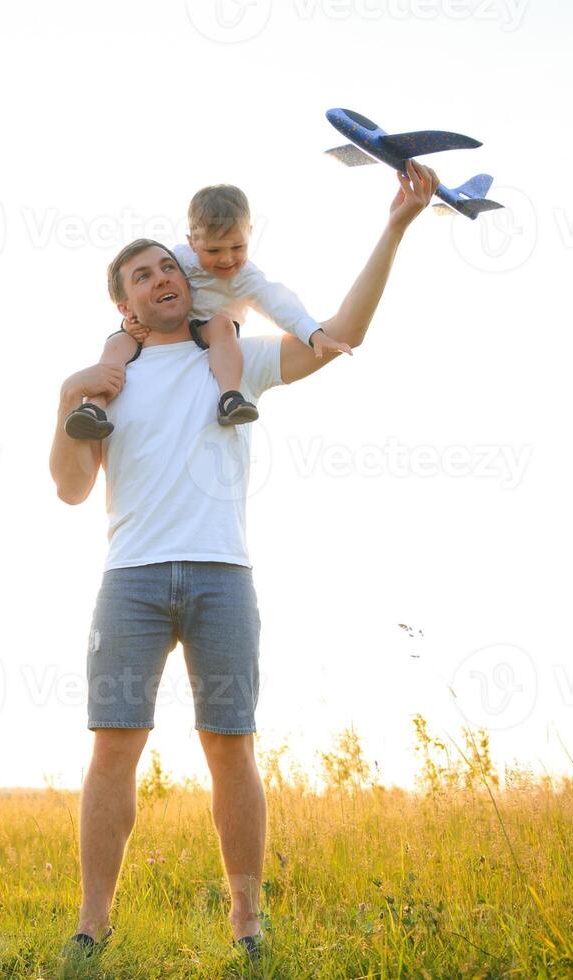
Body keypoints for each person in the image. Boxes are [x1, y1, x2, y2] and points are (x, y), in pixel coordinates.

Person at [49, 160, 441, 963]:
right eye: (142, 273)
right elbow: (68, 490)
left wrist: (395, 225)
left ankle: (247, 926)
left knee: (231, 748)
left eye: (168, 264)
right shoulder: (107, 380)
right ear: (122, 302)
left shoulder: (231, 354)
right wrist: (65, 400)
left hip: (223, 577)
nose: (163, 276)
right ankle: (91, 928)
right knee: (112, 750)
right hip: (130, 582)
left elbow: (341, 331)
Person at [61, 183, 353, 441]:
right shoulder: (177, 260)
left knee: (222, 325)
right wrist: (129, 324)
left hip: (214, 334)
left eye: (238, 246)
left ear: (250, 233)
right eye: (213, 251)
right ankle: (94, 409)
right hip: (173, 331)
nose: (227, 259)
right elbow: (145, 295)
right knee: (117, 343)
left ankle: (230, 397)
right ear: (192, 242)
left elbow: (279, 303)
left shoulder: (246, 277)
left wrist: (313, 333)